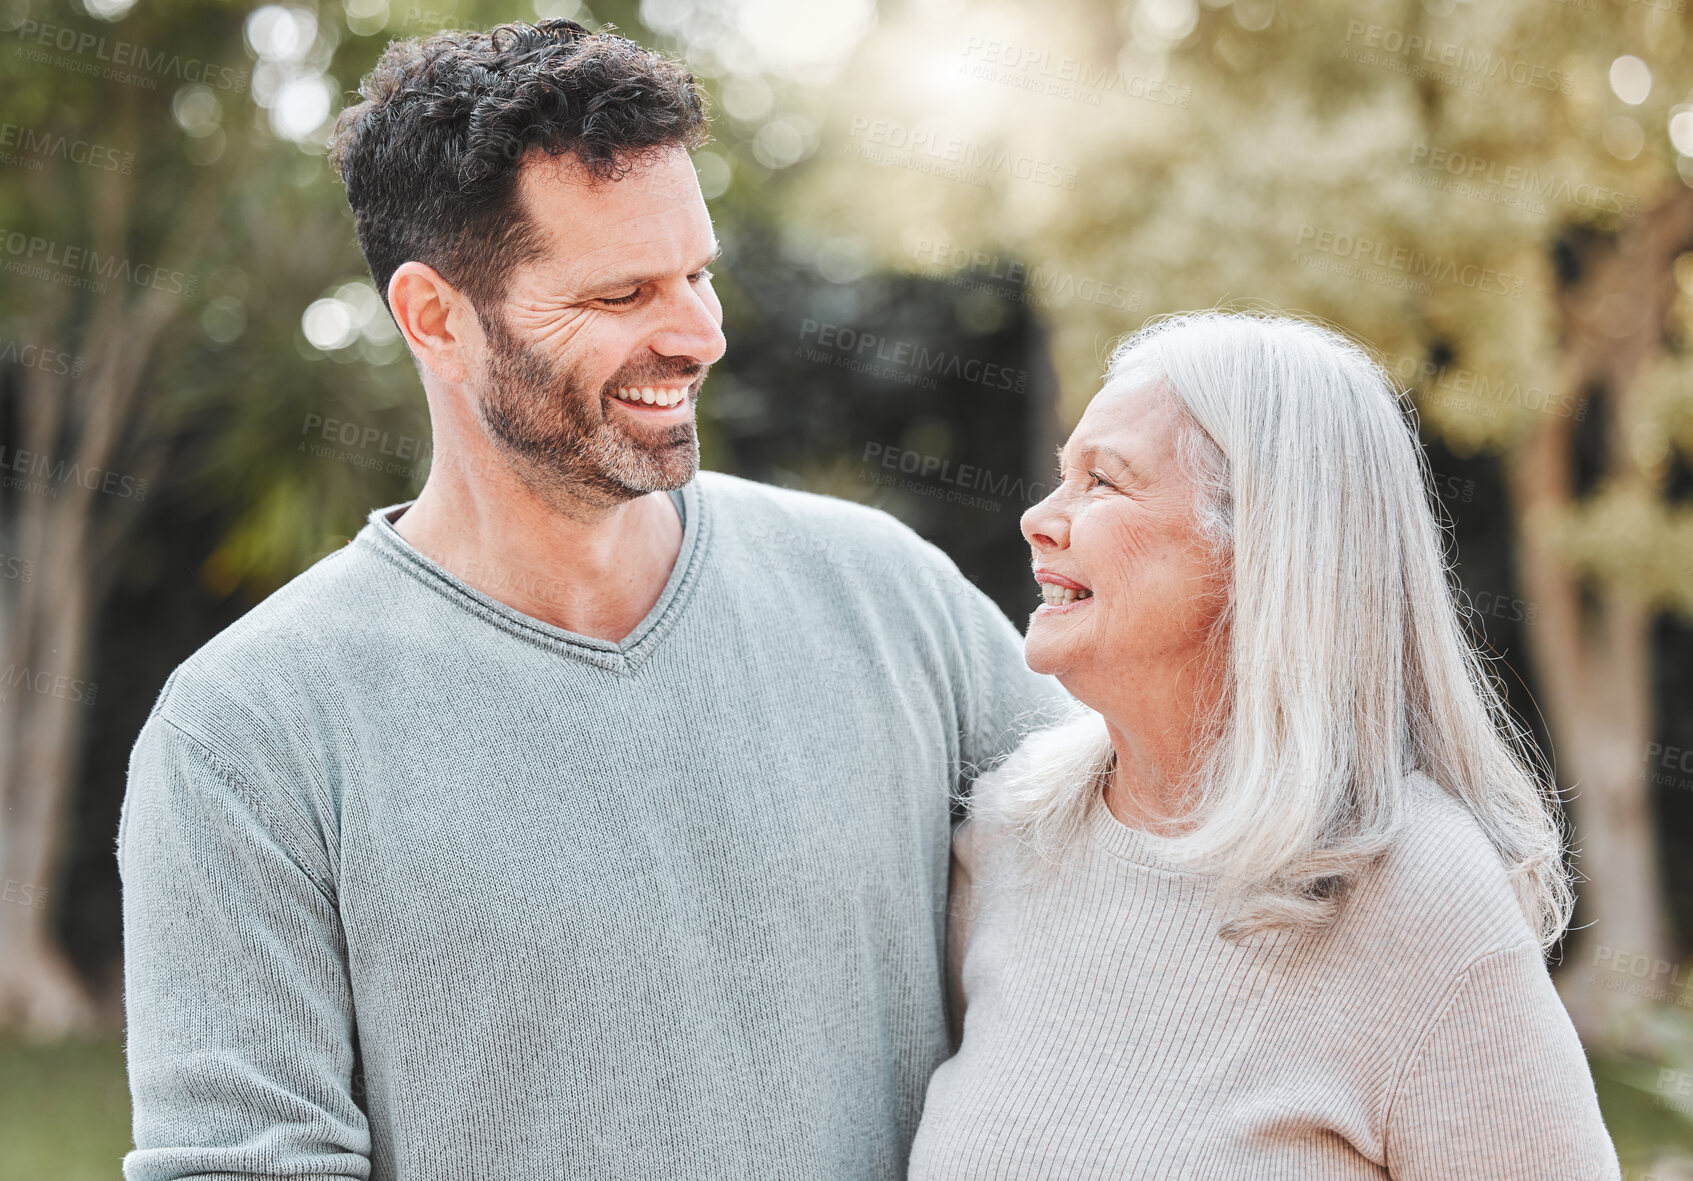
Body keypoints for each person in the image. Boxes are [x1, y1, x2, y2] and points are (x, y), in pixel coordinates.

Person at [116, 20, 1067, 1181]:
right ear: (435, 317)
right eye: (621, 292)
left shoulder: (890, 597)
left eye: (697, 273)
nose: (698, 334)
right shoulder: (246, 735)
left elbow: (1152, 882)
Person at [909, 310, 1621, 1179]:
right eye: (1062, 475)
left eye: (1102, 482)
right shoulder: (1011, 838)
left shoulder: (1419, 897)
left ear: (1264, 545)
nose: (1038, 519)